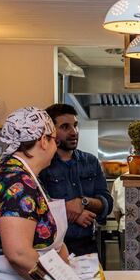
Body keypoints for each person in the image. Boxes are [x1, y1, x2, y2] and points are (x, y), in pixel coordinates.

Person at [0, 107, 69, 280]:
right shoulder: (17, 182)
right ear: (43, 141)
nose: (56, 146)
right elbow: (18, 253)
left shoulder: (25, 176)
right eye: (54, 140)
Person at [38, 104, 113, 257]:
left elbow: (107, 203)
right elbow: (35, 208)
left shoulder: (90, 161)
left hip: (87, 246)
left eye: (76, 126)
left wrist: (82, 202)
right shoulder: (43, 164)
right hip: (52, 249)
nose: (74, 132)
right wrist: (67, 210)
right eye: (65, 127)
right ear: (50, 131)